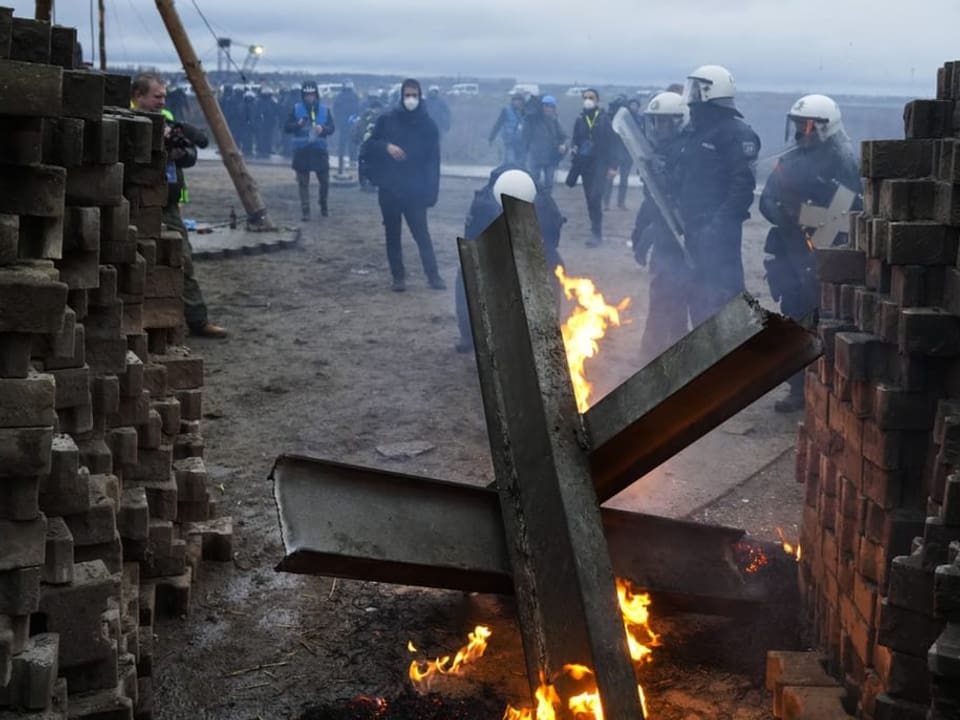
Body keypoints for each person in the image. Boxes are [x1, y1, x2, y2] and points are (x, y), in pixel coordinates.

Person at [760, 93, 862, 412]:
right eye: (797, 125)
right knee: (794, 320)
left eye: (808, 125)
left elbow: (851, 213)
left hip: (825, 255)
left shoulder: (845, 164)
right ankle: (798, 388)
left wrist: (805, 216)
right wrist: (784, 215)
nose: (802, 131)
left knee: (828, 321)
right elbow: (766, 201)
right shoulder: (789, 162)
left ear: (825, 127)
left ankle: (829, 387)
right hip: (790, 254)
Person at [131, 73, 227, 339]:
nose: (162, 102)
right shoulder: (125, 119)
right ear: (139, 96)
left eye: (164, 96)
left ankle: (198, 320)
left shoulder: (169, 120)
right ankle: (139, 321)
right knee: (136, 261)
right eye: (156, 97)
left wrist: (178, 152)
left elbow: (191, 155)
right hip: (136, 202)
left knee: (182, 258)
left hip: (168, 203)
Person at [675, 64, 761, 324]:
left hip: (720, 236)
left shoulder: (736, 134)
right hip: (692, 230)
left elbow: (742, 189)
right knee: (698, 299)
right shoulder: (694, 133)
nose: (690, 98)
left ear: (711, 92)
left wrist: (716, 226)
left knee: (723, 300)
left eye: (695, 90)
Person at [455, 166, 566, 353]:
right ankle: (468, 334)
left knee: (553, 272)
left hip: (532, 248)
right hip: (495, 249)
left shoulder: (545, 206)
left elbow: (552, 240)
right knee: (466, 276)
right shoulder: (482, 205)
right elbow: (472, 241)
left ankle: (547, 333)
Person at [362, 78, 445, 292]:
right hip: (390, 188)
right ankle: (398, 277)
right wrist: (386, 146)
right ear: (401, 96)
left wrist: (431, 192)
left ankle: (433, 276)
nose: (411, 99)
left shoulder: (428, 125)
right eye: (407, 95)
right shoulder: (387, 120)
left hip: (415, 190)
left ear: (420, 96)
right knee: (393, 234)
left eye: (414, 95)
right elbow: (369, 145)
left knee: (422, 235)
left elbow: (433, 162)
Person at [631, 91, 690, 363]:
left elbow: (687, 199)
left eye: (664, 122)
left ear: (678, 122)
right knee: (661, 298)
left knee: (678, 301)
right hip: (664, 239)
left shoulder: (688, 151)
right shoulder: (658, 153)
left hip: (685, 241)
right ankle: (653, 355)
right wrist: (641, 230)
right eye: (654, 122)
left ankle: (668, 355)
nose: (657, 128)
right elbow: (652, 200)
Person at [566, 88, 617, 247]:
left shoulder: (604, 119)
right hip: (584, 164)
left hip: (600, 163)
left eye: (591, 97)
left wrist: (613, 166)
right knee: (590, 198)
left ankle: (596, 233)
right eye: (586, 97)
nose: (588, 100)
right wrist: (573, 148)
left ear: (597, 100)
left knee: (595, 196)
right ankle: (594, 229)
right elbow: (575, 139)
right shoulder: (579, 120)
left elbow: (612, 143)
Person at [284, 80, 335, 221]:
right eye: (307, 95)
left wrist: (323, 129)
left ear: (316, 95)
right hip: (302, 151)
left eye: (312, 95)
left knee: (325, 181)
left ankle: (323, 203)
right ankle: (305, 210)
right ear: (303, 95)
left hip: (319, 151)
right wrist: (297, 124)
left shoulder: (325, 110)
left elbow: (332, 128)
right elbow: (286, 127)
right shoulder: (296, 109)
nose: (310, 97)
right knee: (302, 183)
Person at [521, 95, 567, 192]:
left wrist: (562, 145)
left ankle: (547, 202)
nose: (548, 109)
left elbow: (562, 136)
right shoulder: (533, 119)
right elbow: (526, 135)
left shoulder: (555, 121)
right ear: (541, 107)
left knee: (549, 182)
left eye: (550, 106)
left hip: (551, 156)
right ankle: (535, 201)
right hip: (536, 155)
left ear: (554, 108)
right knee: (534, 180)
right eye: (546, 106)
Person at [602, 94, 634, 211]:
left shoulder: (628, 120)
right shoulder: (608, 119)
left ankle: (619, 203)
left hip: (625, 152)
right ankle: (607, 203)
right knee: (610, 179)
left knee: (622, 180)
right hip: (614, 152)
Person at [353, 95, 384, 192]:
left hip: (364, 146)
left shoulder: (362, 117)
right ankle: (371, 183)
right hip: (375, 147)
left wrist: (357, 140)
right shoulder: (381, 118)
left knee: (363, 165)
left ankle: (364, 184)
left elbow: (356, 131)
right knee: (374, 165)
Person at [488, 93, 526, 165]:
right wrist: (491, 137)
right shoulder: (506, 111)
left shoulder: (526, 112)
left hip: (522, 143)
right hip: (509, 141)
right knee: (511, 162)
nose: (517, 102)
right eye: (515, 100)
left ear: (522, 102)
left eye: (519, 100)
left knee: (521, 164)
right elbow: (498, 125)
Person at [332, 81, 361, 174]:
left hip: (343, 123)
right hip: (352, 122)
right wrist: (354, 120)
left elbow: (335, 109)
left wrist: (339, 120)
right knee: (352, 142)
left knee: (342, 142)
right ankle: (353, 160)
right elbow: (358, 110)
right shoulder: (355, 96)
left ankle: (341, 159)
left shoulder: (339, 97)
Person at [254, 86, 279, 159]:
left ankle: (266, 149)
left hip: (269, 122)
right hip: (262, 122)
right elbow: (256, 112)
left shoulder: (273, 102)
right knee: (262, 136)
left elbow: (277, 111)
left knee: (268, 136)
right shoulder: (259, 102)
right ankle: (262, 150)